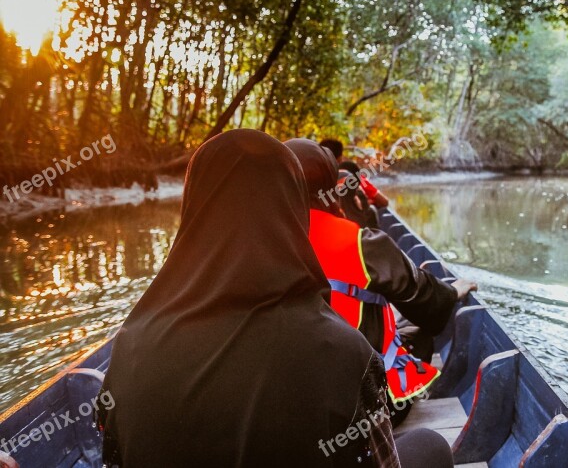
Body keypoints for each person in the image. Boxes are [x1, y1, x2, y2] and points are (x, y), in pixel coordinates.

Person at [97, 130, 401, 467]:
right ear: (294, 208)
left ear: (192, 210)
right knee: (429, 444)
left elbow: (113, 459)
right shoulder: (347, 354)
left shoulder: (131, 345)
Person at [285, 139, 476, 424]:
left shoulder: (263, 243)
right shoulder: (363, 243)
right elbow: (424, 299)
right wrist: (450, 292)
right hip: (362, 404)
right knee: (421, 333)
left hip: (293, 401)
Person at [320, 138, 390, 209]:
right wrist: (368, 202)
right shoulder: (354, 177)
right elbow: (384, 202)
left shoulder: (313, 178)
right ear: (340, 158)